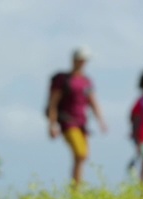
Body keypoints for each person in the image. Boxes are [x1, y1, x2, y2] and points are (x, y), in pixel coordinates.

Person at [46, 47, 108, 190]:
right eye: (79, 60)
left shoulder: (86, 81)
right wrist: (52, 124)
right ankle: (76, 188)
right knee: (81, 154)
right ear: (73, 60)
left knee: (81, 157)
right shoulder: (63, 80)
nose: (82, 63)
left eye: (84, 61)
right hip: (67, 121)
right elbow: (53, 103)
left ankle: (76, 189)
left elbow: (93, 102)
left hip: (82, 123)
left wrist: (101, 121)